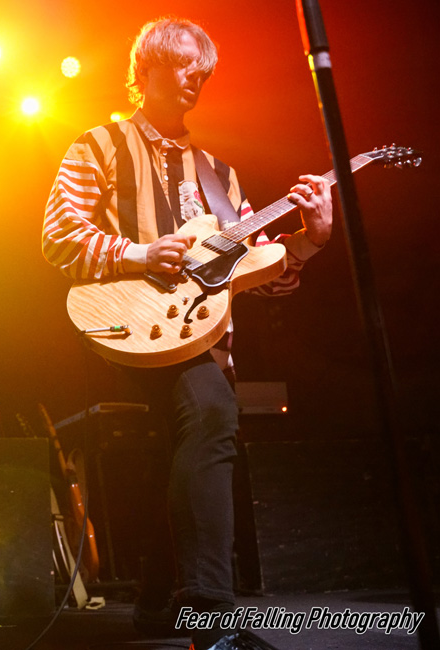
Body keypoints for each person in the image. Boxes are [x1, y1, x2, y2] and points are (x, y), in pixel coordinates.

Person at [41, 19, 333, 650]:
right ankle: (212, 614)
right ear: (144, 70)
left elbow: (256, 272)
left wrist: (309, 242)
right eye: (182, 63)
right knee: (210, 415)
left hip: (202, 341)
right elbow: (59, 239)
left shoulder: (219, 175)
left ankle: (155, 603)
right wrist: (140, 254)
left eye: (203, 70)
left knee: (178, 456)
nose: (195, 77)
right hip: (125, 326)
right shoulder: (98, 146)